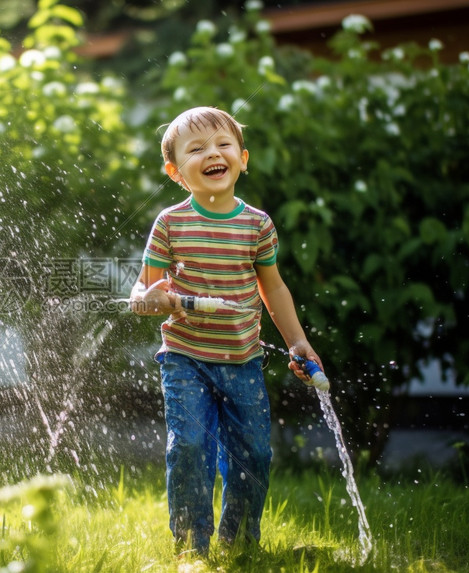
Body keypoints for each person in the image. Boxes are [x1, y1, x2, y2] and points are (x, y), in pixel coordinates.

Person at [129, 106, 323, 556]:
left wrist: (298, 341)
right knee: (190, 446)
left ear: (242, 157)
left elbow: (273, 288)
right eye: (196, 149)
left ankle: (238, 544)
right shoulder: (171, 223)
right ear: (175, 171)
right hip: (185, 358)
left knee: (253, 454)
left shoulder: (257, 225)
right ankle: (191, 548)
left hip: (243, 360)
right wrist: (150, 297)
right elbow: (143, 288)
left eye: (223, 145)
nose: (212, 154)